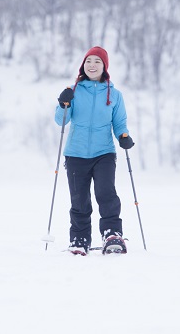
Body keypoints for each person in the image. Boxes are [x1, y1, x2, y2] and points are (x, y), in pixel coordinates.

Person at [55, 46, 135, 255]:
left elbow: (119, 123)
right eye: (89, 61)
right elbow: (60, 121)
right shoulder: (73, 90)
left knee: (106, 193)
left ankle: (112, 234)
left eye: (97, 61)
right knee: (79, 199)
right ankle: (79, 240)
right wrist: (63, 103)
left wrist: (123, 137)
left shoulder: (114, 94)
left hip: (104, 153)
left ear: (104, 66)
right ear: (83, 65)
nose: (92, 65)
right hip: (76, 153)